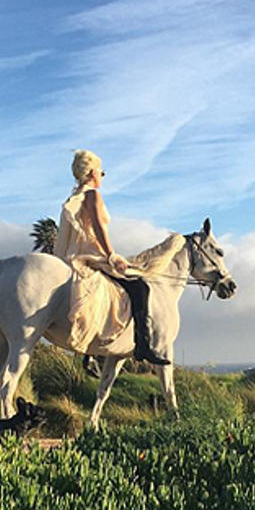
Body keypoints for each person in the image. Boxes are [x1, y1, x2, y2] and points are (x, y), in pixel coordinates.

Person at [53, 149, 170, 366]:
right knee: (139, 287)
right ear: (92, 174)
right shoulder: (92, 195)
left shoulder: (74, 198)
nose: (102, 176)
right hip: (91, 254)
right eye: (101, 172)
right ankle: (143, 345)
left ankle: (92, 352)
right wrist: (111, 255)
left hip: (74, 253)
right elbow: (98, 227)